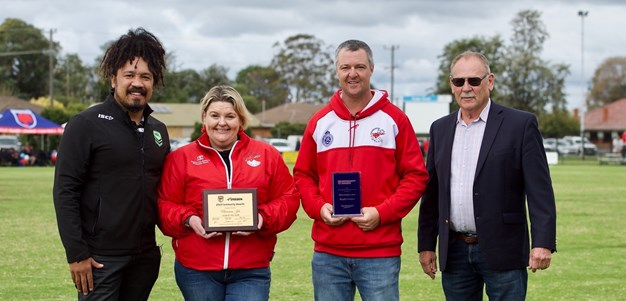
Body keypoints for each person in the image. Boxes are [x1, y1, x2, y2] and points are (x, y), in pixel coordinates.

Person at [293, 39, 429, 301]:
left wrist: (382, 212)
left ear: (371, 69)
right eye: (345, 67)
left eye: (359, 67)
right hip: (328, 253)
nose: (352, 74)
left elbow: (415, 176)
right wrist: (319, 208)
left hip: (379, 252)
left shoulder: (395, 119)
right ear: (337, 71)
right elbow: (303, 175)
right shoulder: (320, 121)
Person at [417, 51, 557, 300]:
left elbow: (540, 190)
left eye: (474, 80)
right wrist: (427, 245)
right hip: (455, 252)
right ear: (452, 85)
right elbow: (433, 192)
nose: (466, 88)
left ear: (489, 81)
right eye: (459, 82)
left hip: (503, 249)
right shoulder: (440, 128)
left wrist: (542, 242)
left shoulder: (520, 124)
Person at [53, 28, 170, 300]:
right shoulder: (85, 124)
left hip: (145, 257)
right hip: (100, 259)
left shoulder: (159, 130)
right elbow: (65, 191)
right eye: (129, 75)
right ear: (113, 78)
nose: (137, 83)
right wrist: (77, 253)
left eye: (145, 76)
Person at [157, 85, 300, 301]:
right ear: (204, 118)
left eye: (230, 116)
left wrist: (262, 218)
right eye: (215, 115)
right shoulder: (181, 158)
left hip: (251, 269)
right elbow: (164, 203)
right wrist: (188, 219)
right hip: (197, 270)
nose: (222, 122)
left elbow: (289, 199)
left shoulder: (267, 155)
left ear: (241, 120)